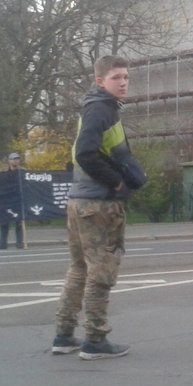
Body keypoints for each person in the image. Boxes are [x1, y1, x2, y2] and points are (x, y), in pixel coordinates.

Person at [52, 55, 144, 360]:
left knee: (79, 268)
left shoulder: (95, 107)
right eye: (117, 77)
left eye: (126, 77)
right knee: (100, 272)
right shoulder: (101, 109)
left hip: (79, 200)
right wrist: (116, 181)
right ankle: (95, 339)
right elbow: (85, 153)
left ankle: (64, 335)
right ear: (100, 81)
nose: (124, 83)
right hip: (98, 203)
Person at [0, 152, 25, 249]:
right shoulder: (4, 172)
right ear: (9, 161)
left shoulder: (22, 172)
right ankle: (2, 244)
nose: (16, 161)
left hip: (18, 200)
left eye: (17, 159)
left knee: (19, 223)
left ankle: (20, 243)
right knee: (4, 223)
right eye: (14, 159)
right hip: (6, 200)